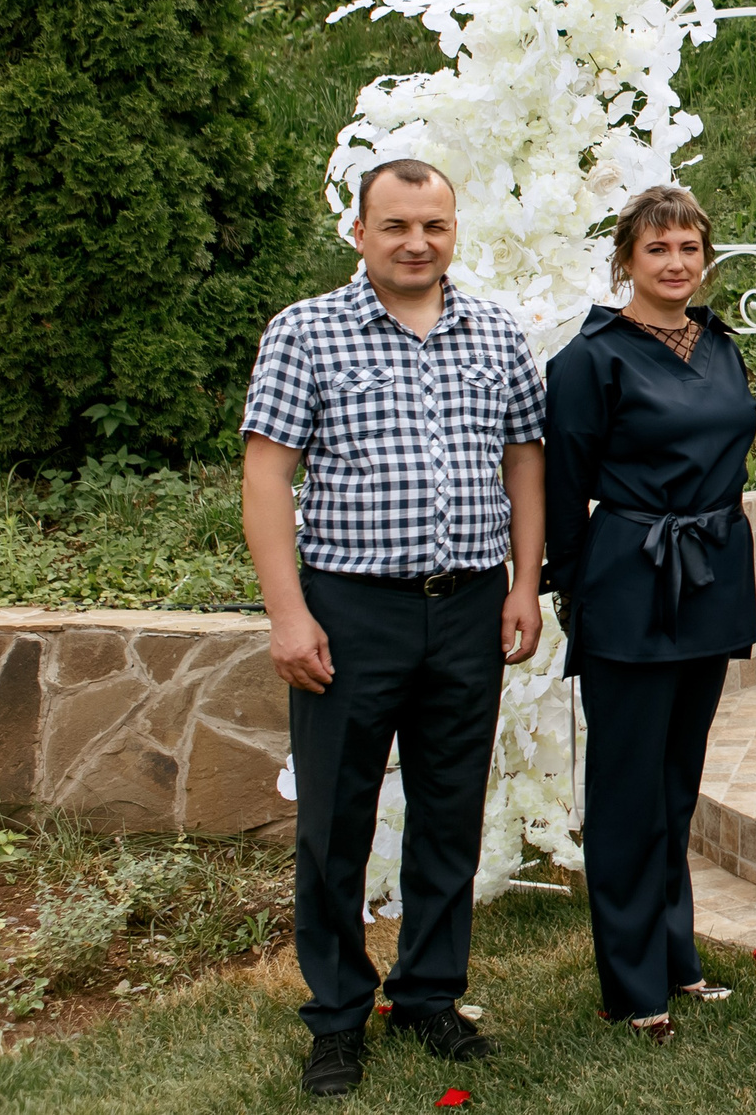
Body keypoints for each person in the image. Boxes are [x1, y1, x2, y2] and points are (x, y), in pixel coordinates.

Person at [240, 160, 548, 1099]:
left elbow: (525, 461)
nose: (417, 242)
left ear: (455, 229)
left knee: (449, 815)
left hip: (467, 607)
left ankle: (427, 996)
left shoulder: (496, 332)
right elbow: (265, 477)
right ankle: (336, 1016)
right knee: (335, 822)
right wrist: (288, 615)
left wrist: (524, 584)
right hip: (350, 613)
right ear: (361, 232)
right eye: (397, 226)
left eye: (434, 225)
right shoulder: (306, 331)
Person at [543, 186, 756, 1042]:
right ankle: (634, 987)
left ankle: (678, 960)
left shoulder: (720, 344)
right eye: (659, 249)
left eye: (690, 249)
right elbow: (563, 487)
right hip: (632, 581)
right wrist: (565, 587)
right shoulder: (590, 359)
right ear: (626, 259)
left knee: (676, 786)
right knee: (629, 791)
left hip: (708, 577)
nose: (676, 263)